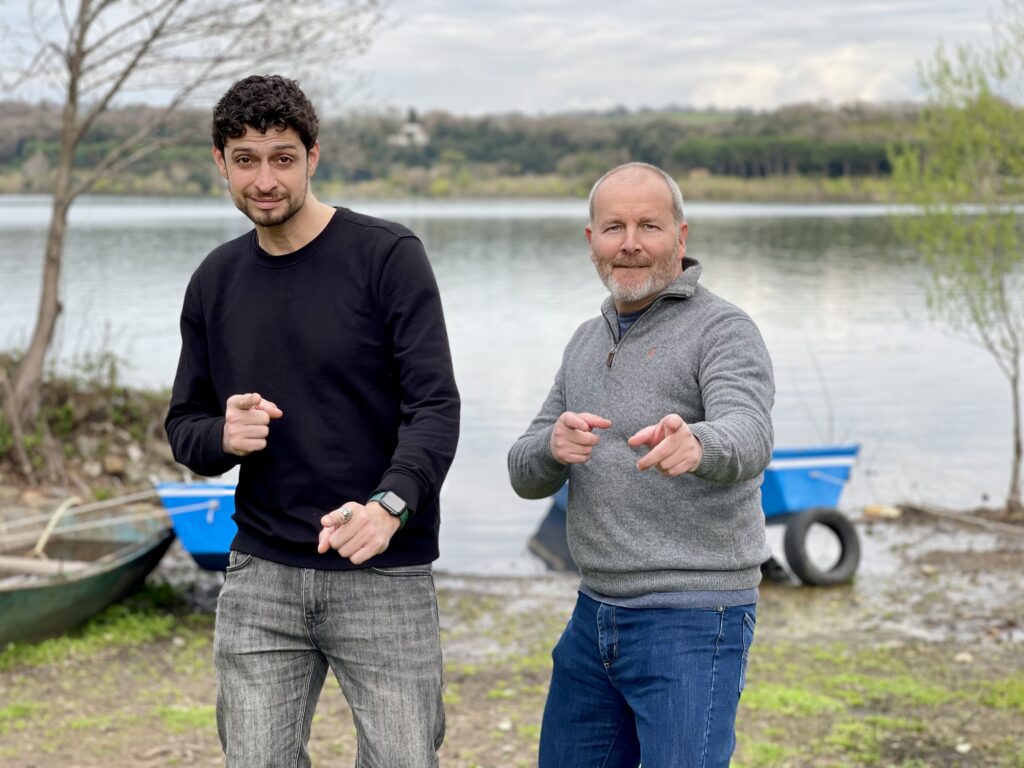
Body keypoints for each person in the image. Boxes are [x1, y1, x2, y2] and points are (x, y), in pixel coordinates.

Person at [165, 74, 460, 767]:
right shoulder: (215, 280)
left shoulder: (387, 257)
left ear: (313, 156)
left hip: (383, 566)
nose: (264, 179)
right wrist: (220, 435)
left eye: (281, 157)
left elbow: (436, 407)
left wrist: (389, 507)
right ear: (220, 161)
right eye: (245, 159)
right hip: (261, 573)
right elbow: (186, 426)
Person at [507, 162, 774, 767]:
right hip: (592, 615)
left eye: (648, 226)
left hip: (694, 617)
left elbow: (751, 433)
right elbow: (523, 470)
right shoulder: (584, 339)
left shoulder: (724, 330)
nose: (629, 243)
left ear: (680, 237)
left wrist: (698, 445)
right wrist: (553, 448)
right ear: (591, 240)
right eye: (614, 227)